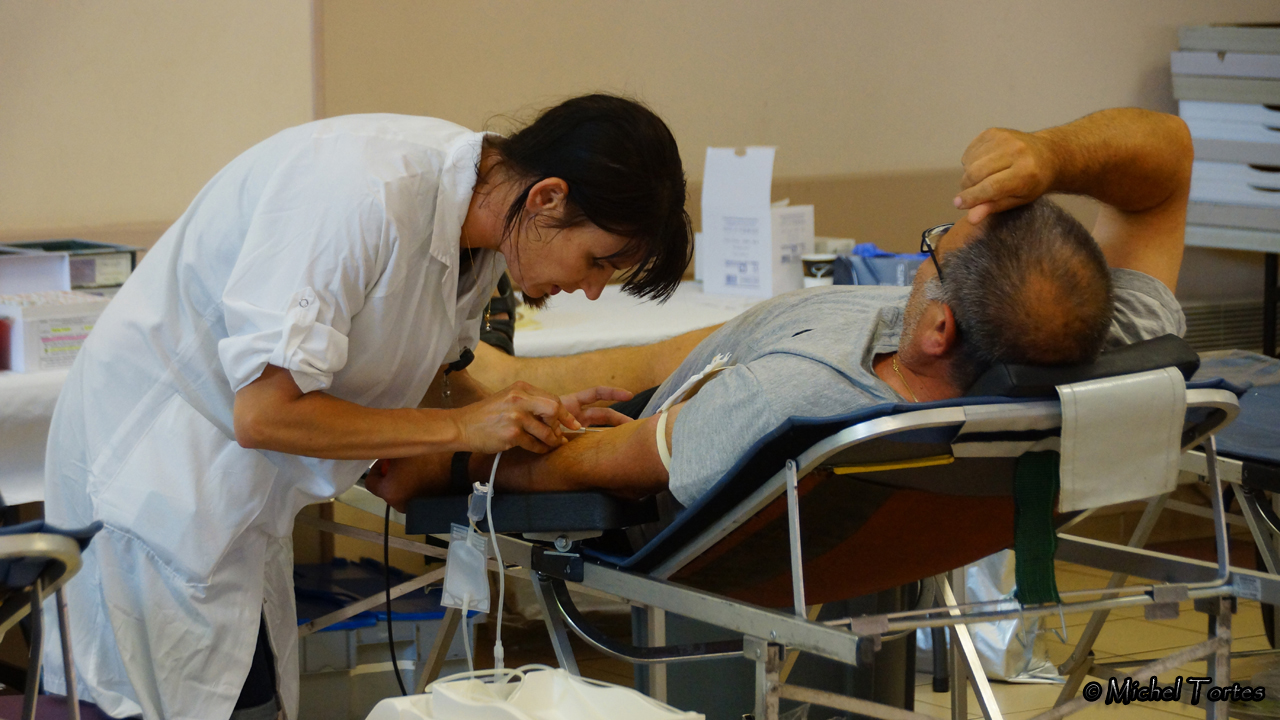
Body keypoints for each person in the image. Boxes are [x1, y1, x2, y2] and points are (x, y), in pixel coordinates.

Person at [42, 94, 692, 720]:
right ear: (549, 197)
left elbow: (439, 372)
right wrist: (464, 427)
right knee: (198, 698)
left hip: (235, 497)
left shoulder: (483, 229)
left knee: (241, 693)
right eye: (598, 261)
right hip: (156, 477)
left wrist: (526, 413)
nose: (594, 290)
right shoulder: (363, 196)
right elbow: (265, 413)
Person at [366, 106, 1193, 512]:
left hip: (669, 412)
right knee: (504, 366)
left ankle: (482, 373)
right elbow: (1168, 164)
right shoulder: (1089, 334)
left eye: (934, 252)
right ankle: (491, 366)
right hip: (720, 361)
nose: (919, 261)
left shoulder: (786, 401)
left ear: (939, 329)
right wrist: (1049, 157)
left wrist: (447, 465)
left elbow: (592, 463)